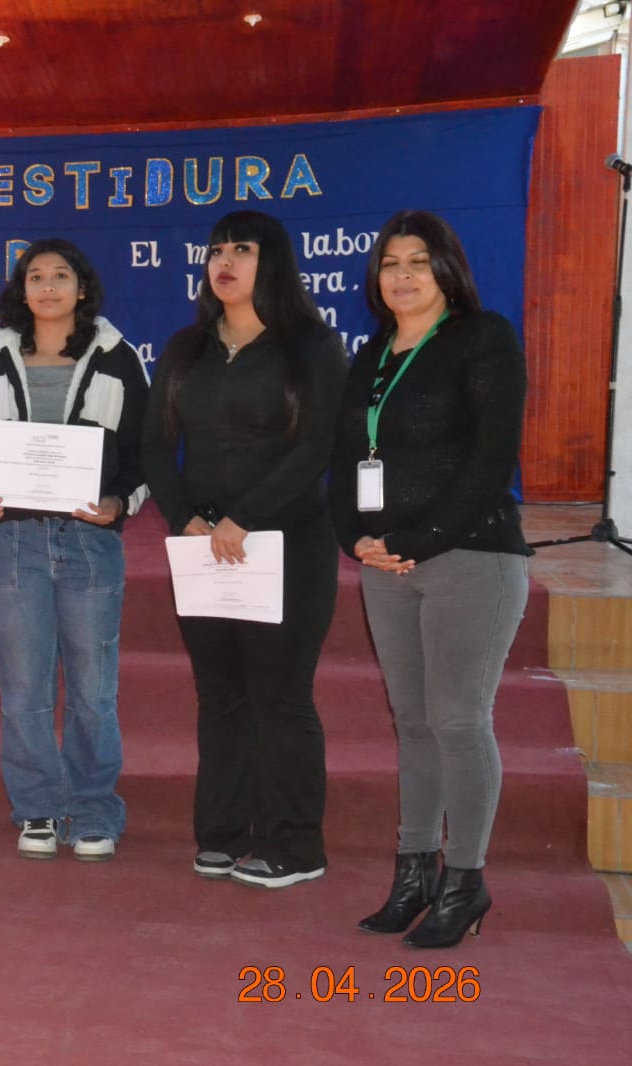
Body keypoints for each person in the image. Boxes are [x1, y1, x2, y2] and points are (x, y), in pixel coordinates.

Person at [330, 210, 529, 947]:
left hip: (470, 557)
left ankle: (465, 881)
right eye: (390, 263)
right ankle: (413, 873)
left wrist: (414, 541)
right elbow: (344, 458)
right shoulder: (373, 353)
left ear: (447, 269)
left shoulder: (483, 338)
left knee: (456, 720)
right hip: (387, 564)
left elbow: (490, 461)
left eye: (418, 261)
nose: (403, 275)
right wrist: (354, 537)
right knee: (411, 722)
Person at [141, 210, 347, 888]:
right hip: (203, 545)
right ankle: (223, 835)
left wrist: (245, 517)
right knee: (220, 693)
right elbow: (154, 446)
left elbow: (316, 447)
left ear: (274, 261)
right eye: (216, 250)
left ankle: (295, 847)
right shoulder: (187, 346)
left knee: (280, 695)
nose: (224, 262)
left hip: (287, 543)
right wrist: (184, 518)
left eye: (242, 250)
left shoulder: (311, 345)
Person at [0, 238, 150, 861]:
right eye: (36, 276)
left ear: (81, 287)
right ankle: (38, 808)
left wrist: (119, 503)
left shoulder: (118, 357)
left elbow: (145, 449)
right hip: (13, 538)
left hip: (90, 539)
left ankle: (94, 809)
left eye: (60, 275)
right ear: (21, 290)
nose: (47, 287)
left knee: (94, 689)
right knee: (23, 687)